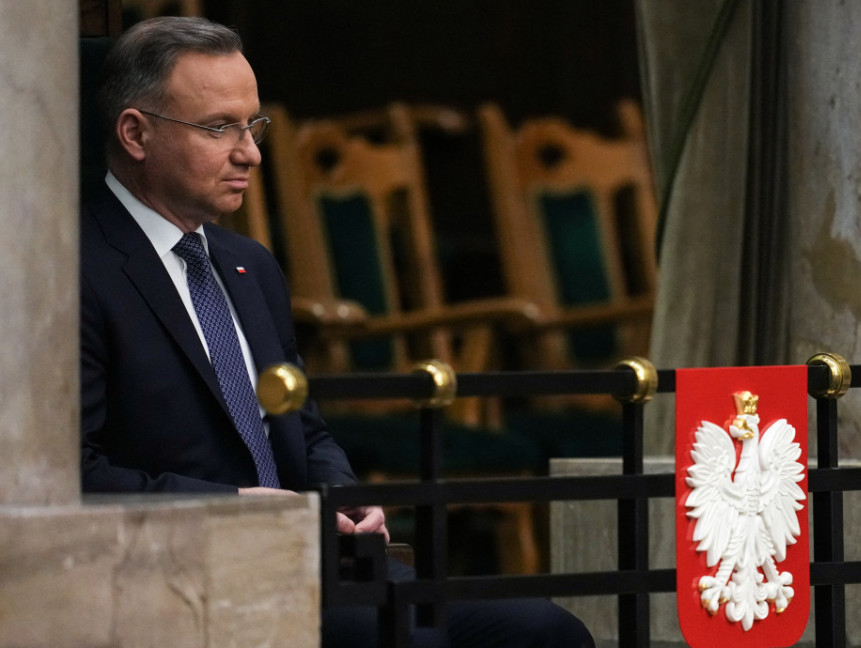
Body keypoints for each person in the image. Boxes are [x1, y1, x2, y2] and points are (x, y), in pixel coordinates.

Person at [80, 16, 593, 648]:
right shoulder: (70, 270)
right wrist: (230, 507)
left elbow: (306, 427)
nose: (251, 153)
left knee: (547, 630)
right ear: (136, 133)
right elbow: (73, 473)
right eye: (219, 128)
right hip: (182, 579)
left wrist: (343, 498)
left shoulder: (249, 266)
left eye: (253, 125)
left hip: (321, 563)